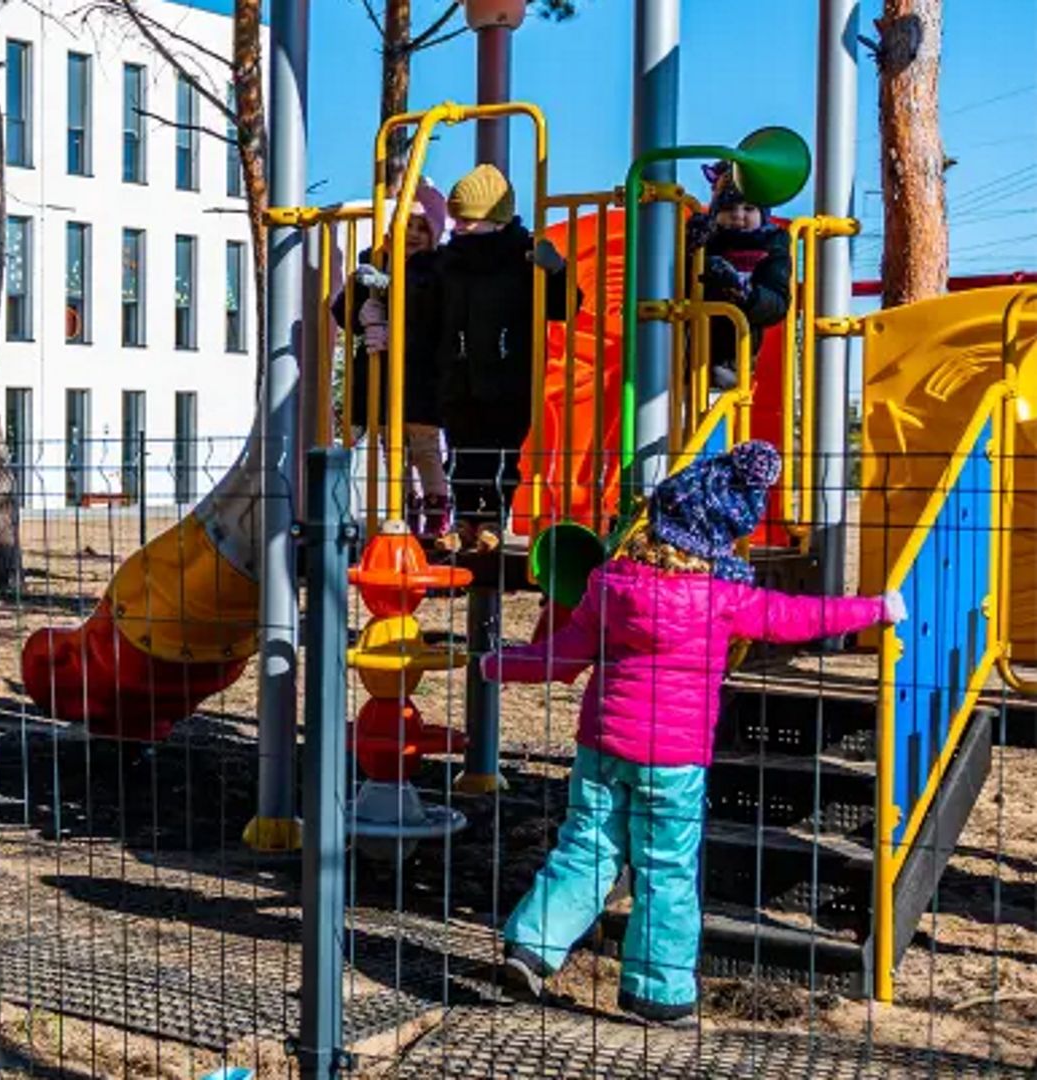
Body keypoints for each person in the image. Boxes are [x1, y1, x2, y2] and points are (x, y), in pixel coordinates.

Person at [482, 441, 905, 1025]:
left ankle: (532, 946)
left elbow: (559, 658)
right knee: (666, 869)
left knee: (586, 846)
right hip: (673, 762)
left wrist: (493, 664)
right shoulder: (723, 600)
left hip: (601, 746)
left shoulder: (609, 584)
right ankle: (659, 993)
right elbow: (801, 618)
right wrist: (875, 609)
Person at [432, 163, 577, 552]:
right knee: (461, 450)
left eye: (468, 220)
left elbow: (565, 307)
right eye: (457, 219)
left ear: (497, 220)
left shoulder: (522, 259)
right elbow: (426, 306)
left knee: (500, 453)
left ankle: (494, 518)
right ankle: (463, 518)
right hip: (458, 372)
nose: (459, 226)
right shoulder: (448, 262)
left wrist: (558, 272)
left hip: (510, 374)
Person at [334, 183, 450, 537]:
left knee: (425, 449)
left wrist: (388, 289)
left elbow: (428, 311)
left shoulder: (434, 270)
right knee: (392, 452)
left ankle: (436, 512)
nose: (412, 234)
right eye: (407, 224)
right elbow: (342, 314)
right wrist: (362, 306)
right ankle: (403, 511)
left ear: (434, 235)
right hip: (382, 380)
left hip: (421, 378)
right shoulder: (374, 261)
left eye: (421, 228)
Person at [687, 162, 792, 391]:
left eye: (749, 208)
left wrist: (746, 294)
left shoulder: (771, 246)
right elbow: (675, 281)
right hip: (686, 347)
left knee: (716, 400)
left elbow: (778, 304)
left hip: (733, 354)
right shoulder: (707, 239)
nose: (738, 215)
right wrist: (689, 245)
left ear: (763, 214)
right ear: (716, 212)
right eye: (728, 209)